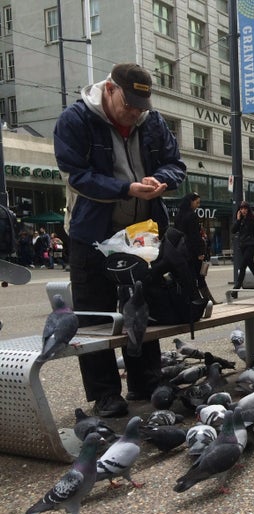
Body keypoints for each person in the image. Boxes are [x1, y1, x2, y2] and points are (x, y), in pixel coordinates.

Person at [54, 62, 186, 417]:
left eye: (140, 107)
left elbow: (176, 163)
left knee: (144, 307)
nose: (134, 113)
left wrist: (161, 180)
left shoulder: (151, 121)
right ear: (110, 89)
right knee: (93, 315)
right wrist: (126, 188)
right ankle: (105, 393)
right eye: (128, 105)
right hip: (92, 233)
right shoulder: (76, 119)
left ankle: (146, 379)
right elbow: (77, 175)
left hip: (141, 234)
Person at [174, 192, 220, 305]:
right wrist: (200, 252)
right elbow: (195, 235)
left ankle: (194, 300)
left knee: (189, 277)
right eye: (197, 202)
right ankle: (208, 300)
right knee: (200, 276)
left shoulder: (178, 216)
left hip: (182, 251)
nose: (198, 205)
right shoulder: (192, 216)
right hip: (193, 251)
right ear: (191, 201)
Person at [230, 201, 254, 296]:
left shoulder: (253, 219)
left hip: (251, 246)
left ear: (248, 209)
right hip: (243, 246)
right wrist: (238, 220)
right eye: (241, 209)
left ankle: (235, 290)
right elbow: (233, 230)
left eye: (245, 208)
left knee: (242, 266)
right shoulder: (240, 220)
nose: (243, 211)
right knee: (252, 268)